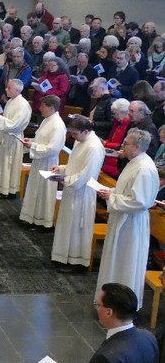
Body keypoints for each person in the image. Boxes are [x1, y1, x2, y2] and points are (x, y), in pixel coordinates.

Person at [96, 128, 158, 308]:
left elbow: (141, 201)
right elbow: (127, 191)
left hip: (132, 224)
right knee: (116, 260)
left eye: (126, 143)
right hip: (122, 219)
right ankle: (111, 300)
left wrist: (112, 198)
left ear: (137, 147)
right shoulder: (134, 162)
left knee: (126, 263)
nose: (122, 145)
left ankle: (124, 307)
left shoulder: (144, 168)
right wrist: (112, 192)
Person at [49, 116, 106, 272]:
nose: (72, 137)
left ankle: (76, 262)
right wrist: (61, 169)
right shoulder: (81, 141)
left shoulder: (94, 147)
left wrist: (65, 179)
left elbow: (87, 175)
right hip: (72, 189)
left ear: (86, 131)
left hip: (82, 193)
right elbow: (75, 164)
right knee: (68, 224)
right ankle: (63, 256)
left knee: (77, 228)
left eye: (75, 134)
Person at [19, 96, 66, 229]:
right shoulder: (47, 120)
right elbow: (42, 139)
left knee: (44, 192)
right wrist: (32, 141)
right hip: (40, 161)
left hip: (48, 163)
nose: (40, 108)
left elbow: (53, 148)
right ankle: (31, 217)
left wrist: (32, 146)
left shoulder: (57, 125)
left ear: (51, 108)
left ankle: (43, 222)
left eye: (42, 106)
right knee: (35, 190)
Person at [0, 80, 31, 196]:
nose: (6, 89)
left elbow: (15, 124)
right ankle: (2, 188)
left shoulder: (22, 104)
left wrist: (0, 118)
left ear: (17, 90)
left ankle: (10, 190)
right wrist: (0, 117)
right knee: (4, 163)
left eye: (9, 88)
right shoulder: (11, 101)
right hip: (7, 137)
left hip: (14, 138)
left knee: (11, 164)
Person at [101, 99, 132, 178]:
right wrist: (105, 141)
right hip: (109, 159)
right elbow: (112, 138)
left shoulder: (128, 125)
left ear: (124, 112)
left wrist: (106, 144)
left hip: (116, 162)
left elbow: (122, 144)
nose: (114, 116)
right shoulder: (117, 122)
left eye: (115, 113)